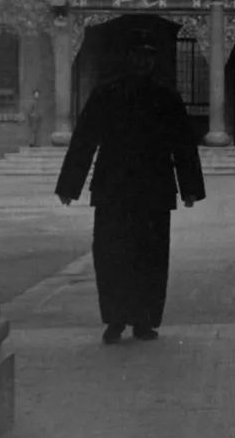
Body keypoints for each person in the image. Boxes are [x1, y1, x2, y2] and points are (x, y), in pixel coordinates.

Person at [55, 34, 205, 344]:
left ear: (154, 61)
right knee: (111, 255)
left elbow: (183, 145)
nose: (142, 62)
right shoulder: (106, 94)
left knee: (150, 257)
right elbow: (85, 139)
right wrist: (70, 185)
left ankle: (144, 320)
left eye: (148, 56)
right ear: (128, 58)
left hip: (154, 188)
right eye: (137, 55)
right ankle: (114, 319)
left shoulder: (167, 97)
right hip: (114, 187)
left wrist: (190, 188)